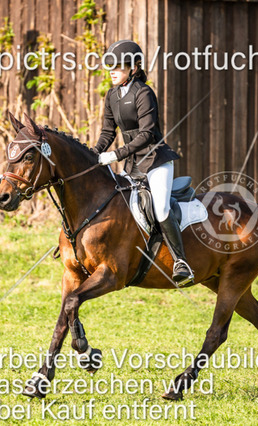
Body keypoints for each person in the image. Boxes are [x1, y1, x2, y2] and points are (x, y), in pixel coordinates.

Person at [94, 40, 194, 286]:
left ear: (134, 68)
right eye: (111, 67)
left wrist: (116, 155)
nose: (112, 71)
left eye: (119, 66)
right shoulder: (112, 95)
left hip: (156, 161)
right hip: (132, 165)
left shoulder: (144, 93)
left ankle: (181, 262)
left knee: (160, 208)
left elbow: (147, 134)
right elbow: (107, 133)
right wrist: (93, 154)